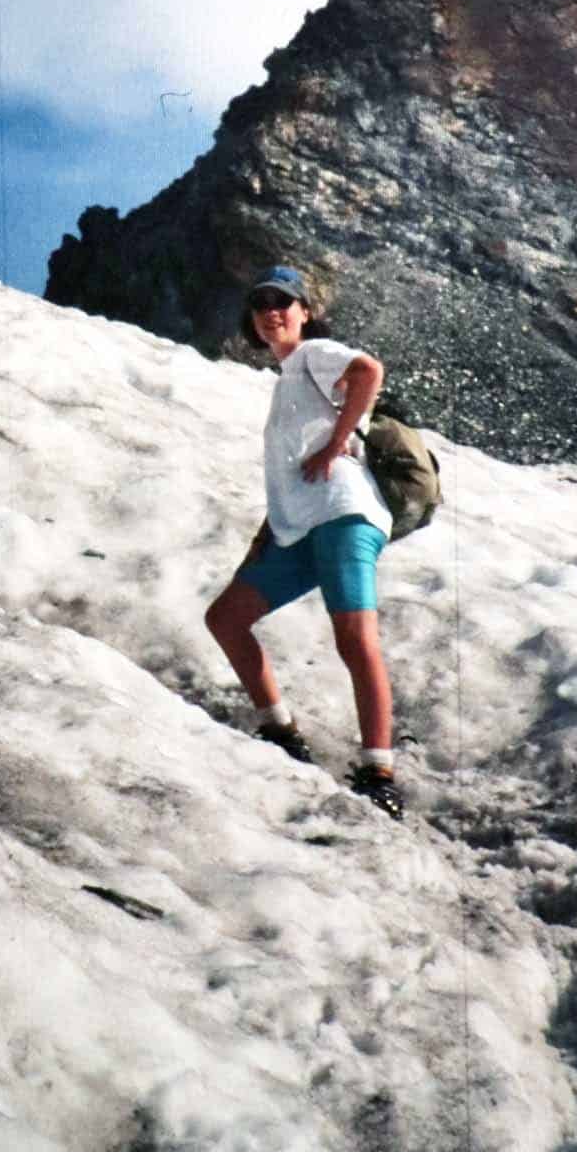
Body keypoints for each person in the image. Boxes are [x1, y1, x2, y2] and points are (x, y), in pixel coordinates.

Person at [205, 265, 404, 818]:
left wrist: (337, 443)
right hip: (299, 527)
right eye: (260, 303)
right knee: (225, 618)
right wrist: (266, 534)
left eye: (283, 302)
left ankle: (380, 773)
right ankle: (281, 731)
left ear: (305, 312)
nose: (271, 311)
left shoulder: (315, 354)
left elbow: (369, 371)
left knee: (355, 639)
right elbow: (290, 472)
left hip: (343, 514)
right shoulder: (288, 378)